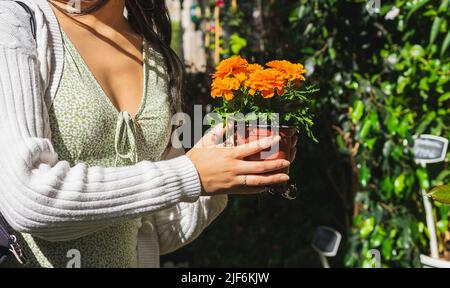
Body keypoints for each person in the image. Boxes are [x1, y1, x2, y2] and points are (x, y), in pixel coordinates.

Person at [0, 0, 296, 268]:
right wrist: (191, 175)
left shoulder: (158, 58)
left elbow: (158, 226)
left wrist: (229, 170)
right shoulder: (16, 23)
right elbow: (29, 199)